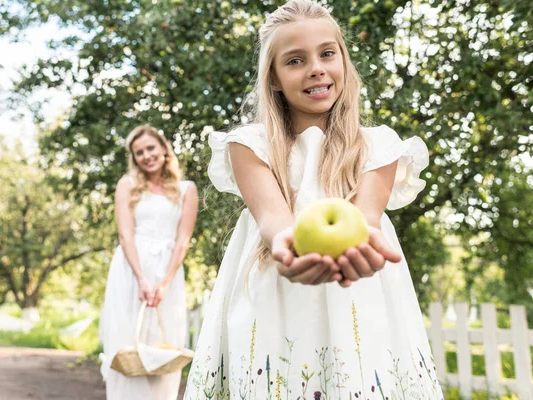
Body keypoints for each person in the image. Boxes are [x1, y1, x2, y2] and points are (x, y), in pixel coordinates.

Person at [184, 1, 443, 399]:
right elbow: (274, 219)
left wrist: (363, 241)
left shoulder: (379, 146)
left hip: (359, 292)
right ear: (273, 78)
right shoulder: (249, 145)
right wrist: (290, 247)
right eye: (295, 60)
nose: (316, 68)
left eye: (327, 53)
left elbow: (367, 217)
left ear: (343, 60)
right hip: (274, 288)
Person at [100, 125, 198, 400]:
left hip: (168, 272)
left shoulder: (186, 189)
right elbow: (125, 234)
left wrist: (164, 282)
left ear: (164, 148)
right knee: (128, 344)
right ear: (134, 158)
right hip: (132, 270)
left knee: (162, 346)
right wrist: (142, 278)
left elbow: (183, 239)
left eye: (151, 148)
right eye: (139, 152)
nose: (146, 155)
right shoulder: (127, 185)